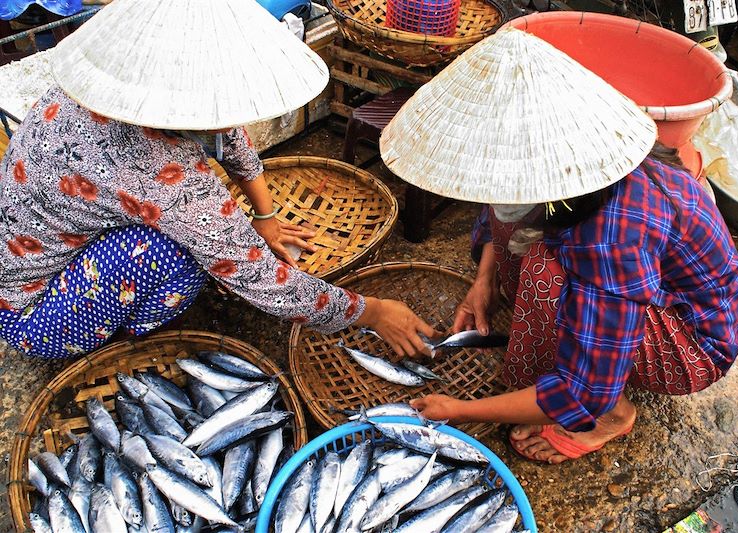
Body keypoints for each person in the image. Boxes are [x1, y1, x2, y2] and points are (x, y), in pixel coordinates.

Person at [380, 29, 738, 462]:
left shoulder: (615, 237)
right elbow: (500, 213)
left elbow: (584, 390)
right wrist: (482, 283)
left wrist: (459, 411)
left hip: (690, 345)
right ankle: (545, 344)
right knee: (512, 230)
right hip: (632, 288)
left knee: (544, 272)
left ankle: (613, 417)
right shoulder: (578, 162)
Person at [0, 0, 433, 359]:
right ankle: (119, 341)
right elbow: (258, 278)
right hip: (31, 313)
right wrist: (371, 312)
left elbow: (227, 132)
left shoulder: (107, 84)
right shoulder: (164, 178)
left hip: (43, 247)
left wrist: (264, 215)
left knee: (191, 236)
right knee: (179, 258)